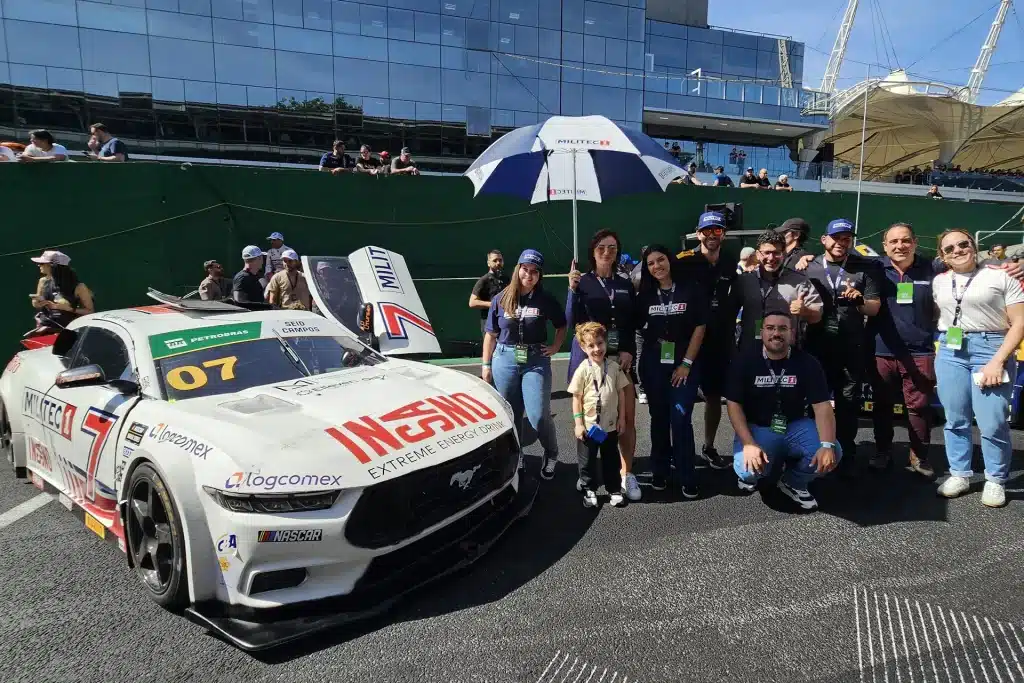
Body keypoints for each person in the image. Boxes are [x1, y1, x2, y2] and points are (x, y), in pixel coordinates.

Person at [932, 230, 1024, 508]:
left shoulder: (1002, 275)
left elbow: (1019, 322)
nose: (958, 250)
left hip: (992, 346)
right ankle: (960, 473)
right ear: (943, 257)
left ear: (974, 246)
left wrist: (998, 360)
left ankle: (996, 478)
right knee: (955, 417)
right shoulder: (939, 281)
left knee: (992, 420)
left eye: (963, 244)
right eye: (950, 248)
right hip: (951, 348)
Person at [724, 310, 841, 511]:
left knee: (833, 452)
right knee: (747, 471)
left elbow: (822, 406)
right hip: (758, 426)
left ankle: (793, 481)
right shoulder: (744, 361)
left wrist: (827, 444)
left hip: (795, 424)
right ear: (762, 332)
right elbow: (733, 405)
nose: (776, 333)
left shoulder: (807, 362)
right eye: (770, 328)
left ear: (792, 333)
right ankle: (761, 470)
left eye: (782, 328)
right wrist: (749, 444)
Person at [802, 218, 882, 474]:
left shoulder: (864, 266)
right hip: (816, 345)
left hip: (851, 347)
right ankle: (814, 447)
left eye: (846, 238)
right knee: (815, 400)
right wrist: (801, 257)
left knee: (848, 402)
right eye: (836, 237)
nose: (841, 242)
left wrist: (859, 301)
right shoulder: (808, 265)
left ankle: (846, 451)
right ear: (824, 239)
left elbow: (874, 307)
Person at [566, 230, 640, 501]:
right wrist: (572, 292)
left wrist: (629, 351)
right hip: (590, 359)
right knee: (589, 416)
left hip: (620, 357)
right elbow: (571, 319)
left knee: (626, 418)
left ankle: (625, 473)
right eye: (601, 247)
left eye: (612, 247)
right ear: (592, 251)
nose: (607, 252)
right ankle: (586, 475)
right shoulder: (582, 281)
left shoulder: (624, 282)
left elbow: (630, 322)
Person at [482, 249, 567, 479]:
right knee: (512, 412)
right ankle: (517, 452)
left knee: (539, 414)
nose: (529, 275)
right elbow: (490, 334)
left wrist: (556, 347)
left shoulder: (545, 299)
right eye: (525, 269)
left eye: (534, 272)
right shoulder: (501, 298)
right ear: (518, 269)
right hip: (505, 358)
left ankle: (551, 453)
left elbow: (561, 325)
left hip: (535, 360)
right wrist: (486, 365)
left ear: (540, 275)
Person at [634, 244, 707, 497]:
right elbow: (632, 326)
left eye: (661, 260)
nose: (657, 266)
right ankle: (660, 471)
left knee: (680, 417)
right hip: (654, 362)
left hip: (684, 361)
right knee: (659, 418)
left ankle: (687, 473)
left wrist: (686, 363)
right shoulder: (644, 294)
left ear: (670, 260)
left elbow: (700, 327)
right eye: (651, 263)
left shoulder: (690, 289)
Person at [869, 223, 938, 477]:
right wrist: (802, 256)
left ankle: (919, 457)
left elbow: (967, 263)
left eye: (906, 240)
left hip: (920, 351)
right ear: (885, 246)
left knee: (919, 407)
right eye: (894, 242)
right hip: (882, 350)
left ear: (915, 243)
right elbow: (839, 258)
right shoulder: (875, 268)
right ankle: (882, 451)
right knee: (882, 405)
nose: (900, 246)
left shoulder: (932, 268)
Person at [677, 211, 737, 470]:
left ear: (723, 234)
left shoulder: (730, 262)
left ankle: (709, 446)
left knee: (714, 397)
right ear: (698, 233)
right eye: (707, 230)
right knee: (682, 398)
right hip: (688, 340)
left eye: (718, 230)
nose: (712, 235)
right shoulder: (684, 260)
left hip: (719, 340)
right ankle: (679, 448)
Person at [726, 230, 823, 354]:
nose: (771, 258)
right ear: (758, 254)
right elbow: (728, 316)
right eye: (767, 253)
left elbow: (817, 316)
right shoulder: (745, 280)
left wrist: (805, 311)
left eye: (776, 253)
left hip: (786, 353)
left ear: (784, 253)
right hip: (750, 352)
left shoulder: (799, 281)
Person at [569, 322, 630, 508]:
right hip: (588, 427)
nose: (597, 349)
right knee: (587, 461)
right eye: (591, 345)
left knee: (611, 459)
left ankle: (614, 489)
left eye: (600, 343)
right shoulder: (582, 369)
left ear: (606, 343)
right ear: (583, 347)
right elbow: (576, 398)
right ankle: (589, 489)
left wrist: (621, 419)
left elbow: (621, 393)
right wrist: (578, 424)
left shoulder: (613, 367)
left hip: (610, 425)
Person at [29, 250, 95, 334]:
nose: (39, 265)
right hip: (44, 327)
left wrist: (70, 309)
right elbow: (37, 302)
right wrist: (36, 303)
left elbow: (90, 311)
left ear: (53, 266)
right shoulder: (42, 281)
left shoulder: (79, 287)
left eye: (42, 263)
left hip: (68, 330)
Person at [469, 250, 508, 334]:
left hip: (504, 321)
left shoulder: (506, 279)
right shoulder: (483, 280)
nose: (498, 263)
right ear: (488, 263)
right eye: (495, 260)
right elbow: (472, 302)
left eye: (500, 260)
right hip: (489, 322)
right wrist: (493, 304)